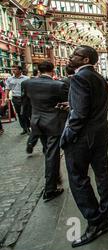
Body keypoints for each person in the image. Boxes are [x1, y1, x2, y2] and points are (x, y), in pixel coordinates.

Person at [61, 45, 108, 248]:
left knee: (78, 179)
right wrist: (73, 105)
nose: (71, 56)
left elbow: (80, 115)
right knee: (102, 176)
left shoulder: (78, 78)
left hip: (82, 140)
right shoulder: (100, 78)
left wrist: (67, 136)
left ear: (85, 60)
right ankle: (106, 215)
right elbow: (103, 106)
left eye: (75, 54)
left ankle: (95, 221)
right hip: (100, 135)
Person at [22, 61, 68, 201]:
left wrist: (29, 120)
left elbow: (25, 105)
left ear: (38, 70)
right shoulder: (58, 85)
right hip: (53, 123)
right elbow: (68, 103)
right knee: (52, 154)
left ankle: (55, 178)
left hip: (37, 122)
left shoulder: (28, 84)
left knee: (48, 152)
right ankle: (50, 188)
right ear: (52, 70)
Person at [4, 65, 30, 134]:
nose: (13, 70)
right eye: (13, 69)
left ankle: (28, 127)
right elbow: (7, 88)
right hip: (15, 98)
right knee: (19, 114)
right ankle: (24, 128)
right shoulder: (9, 79)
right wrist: (6, 97)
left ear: (20, 70)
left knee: (25, 113)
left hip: (24, 98)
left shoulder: (26, 78)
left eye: (15, 69)